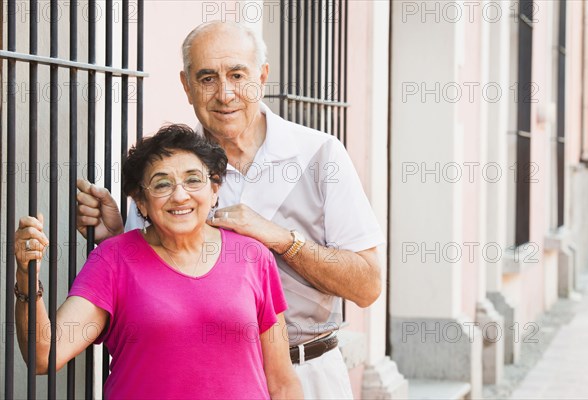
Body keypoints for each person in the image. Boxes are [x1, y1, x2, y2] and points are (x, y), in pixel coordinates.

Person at [76, 21, 383, 398]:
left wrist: (283, 240)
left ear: (263, 76)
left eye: (237, 75)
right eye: (207, 78)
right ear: (186, 86)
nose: (225, 93)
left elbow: (367, 286)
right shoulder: (171, 175)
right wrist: (121, 235)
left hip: (309, 374)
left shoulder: (320, 155)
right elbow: (150, 285)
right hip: (213, 383)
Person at [14, 124, 303, 399]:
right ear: (141, 201)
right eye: (162, 184)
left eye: (193, 180)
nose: (180, 196)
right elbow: (45, 356)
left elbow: (281, 382)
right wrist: (27, 277)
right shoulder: (113, 259)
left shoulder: (252, 256)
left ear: (214, 190)